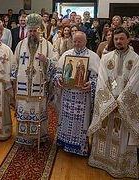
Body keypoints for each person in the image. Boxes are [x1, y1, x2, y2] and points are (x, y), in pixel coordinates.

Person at [88, 27, 139, 179]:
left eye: (121, 39)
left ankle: (120, 167)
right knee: (106, 132)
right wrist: (109, 103)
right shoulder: (106, 57)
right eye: (116, 39)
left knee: (121, 134)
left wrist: (120, 103)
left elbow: (135, 83)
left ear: (128, 40)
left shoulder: (136, 59)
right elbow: (101, 81)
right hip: (107, 105)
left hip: (124, 107)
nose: (118, 41)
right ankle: (100, 160)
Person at [12, 13, 55, 145]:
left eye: (34, 30)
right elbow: (15, 63)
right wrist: (13, 80)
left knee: (37, 110)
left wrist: (46, 60)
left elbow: (55, 63)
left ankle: (39, 136)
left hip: (38, 86)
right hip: (23, 86)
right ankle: (23, 136)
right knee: (24, 108)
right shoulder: (20, 44)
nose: (32, 33)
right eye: (30, 30)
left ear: (39, 30)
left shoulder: (47, 45)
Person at [54, 31, 100, 156]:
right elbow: (58, 71)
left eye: (79, 41)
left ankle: (80, 147)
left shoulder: (93, 56)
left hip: (83, 96)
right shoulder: (66, 55)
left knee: (81, 121)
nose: (77, 43)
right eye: (75, 41)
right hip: (67, 94)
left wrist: (92, 84)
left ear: (85, 41)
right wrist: (58, 79)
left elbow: (98, 77)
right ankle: (63, 141)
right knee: (65, 119)